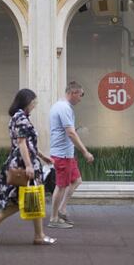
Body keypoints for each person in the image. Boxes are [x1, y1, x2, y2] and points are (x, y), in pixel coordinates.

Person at [0, 88, 56, 245]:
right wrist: (29, 166)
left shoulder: (17, 117)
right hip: (24, 163)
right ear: (27, 102)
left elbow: (26, 143)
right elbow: (22, 143)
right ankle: (39, 235)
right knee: (34, 197)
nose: (34, 106)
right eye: (33, 102)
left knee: (26, 199)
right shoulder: (21, 118)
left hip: (21, 161)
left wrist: (42, 156)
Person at [48, 81, 94, 228]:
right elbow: (71, 133)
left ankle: (61, 209)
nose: (80, 99)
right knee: (61, 186)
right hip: (62, 155)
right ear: (73, 93)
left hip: (66, 154)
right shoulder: (64, 108)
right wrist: (85, 152)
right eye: (80, 95)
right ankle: (54, 219)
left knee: (77, 180)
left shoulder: (61, 106)